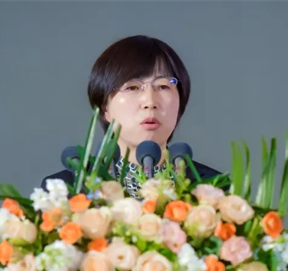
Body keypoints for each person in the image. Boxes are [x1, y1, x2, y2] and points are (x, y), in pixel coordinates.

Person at [41, 35, 223, 199]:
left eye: (163, 86)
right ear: (104, 108)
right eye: (132, 87)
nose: (150, 102)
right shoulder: (66, 191)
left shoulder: (213, 190)